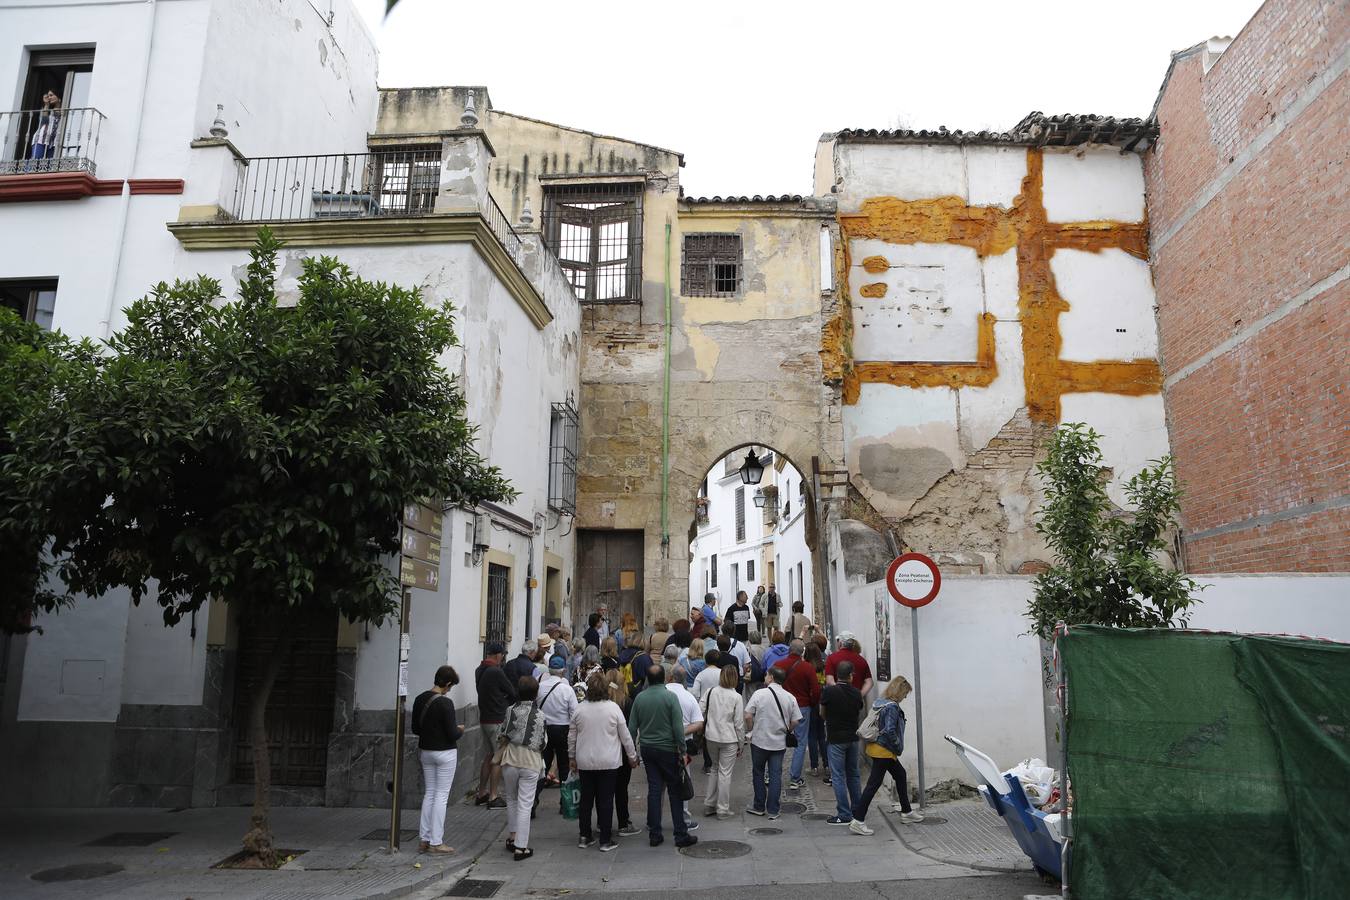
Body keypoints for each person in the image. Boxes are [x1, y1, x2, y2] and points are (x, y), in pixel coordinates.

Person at [628, 665, 698, 848]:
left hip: (648, 748)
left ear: (648, 680)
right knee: (675, 790)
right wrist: (682, 750)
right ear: (665, 678)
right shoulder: (670, 697)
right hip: (668, 749)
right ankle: (680, 833)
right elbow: (677, 728)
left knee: (654, 789)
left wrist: (632, 752)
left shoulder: (640, 699)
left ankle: (655, 832)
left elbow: (632, 727)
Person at [570, 673, 639, 852]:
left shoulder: (579, 709)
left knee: (586, 800)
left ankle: (584, 835)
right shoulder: (613, 708)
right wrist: (632, 756)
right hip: (609, 761)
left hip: (585, 760)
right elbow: (626, 737)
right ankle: (605, 839)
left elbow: (572, 737)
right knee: (606, 799)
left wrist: (571, 757)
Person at [849, 676, 923, 834]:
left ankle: (907, 812)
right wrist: (897, 746)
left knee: (900, 775)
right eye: (905, 693)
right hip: (884, 751)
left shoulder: (880, 702)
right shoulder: (892, 707)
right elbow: (889, 730)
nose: (905, 697)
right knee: (873, 785)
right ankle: (858, 820)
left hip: (877, 748)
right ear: (900, 691)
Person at [411, 665, 464, 854]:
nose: (449, 691)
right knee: (441, 796)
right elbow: (452, 733)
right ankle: (436, 841)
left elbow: (415, 729)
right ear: (447, 684)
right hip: (445, 753)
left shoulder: (419, 699)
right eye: (450, 687)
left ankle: (424, 839)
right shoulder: (445, 703)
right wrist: (460, 730)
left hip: (426, 751)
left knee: (430, 794)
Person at [496, 676, 546, 861]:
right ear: (535, 693)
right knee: (526, 804)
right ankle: (521, 847)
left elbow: (502, 733)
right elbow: (542, 742)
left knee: (511, 798)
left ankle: (512, 836)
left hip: (511, 759)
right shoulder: (540, 715)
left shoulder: (510, 710)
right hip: (530, 761)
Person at [744, 665, 800, 819]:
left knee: (758, 772)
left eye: (767, 675)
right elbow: (796, 720)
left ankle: (759, 805)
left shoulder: (759, 694)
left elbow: (748, 715)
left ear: (772, 677)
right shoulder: (790, 697)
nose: (765, 677)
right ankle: (774, 809)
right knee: (776, 775)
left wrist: (751, 729)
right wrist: (788, 729)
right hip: (779, 742)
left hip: (760, 740)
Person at [820, 660, 865, 825]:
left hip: (835, 738)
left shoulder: (829, 692)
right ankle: (857, 810)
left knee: (838, 776)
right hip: (853, 738)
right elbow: (858, 711)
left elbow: (822, 712)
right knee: (853, 774)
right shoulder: (856, 693)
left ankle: (844, 814)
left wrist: (830, 721)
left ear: (837, 675)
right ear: (851, 676)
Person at [772, 639, 820, 790]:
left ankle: (770, 774)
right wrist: (812, 703)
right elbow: (816, 690)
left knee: (775, 740)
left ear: (789, 650)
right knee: (800, 742)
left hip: (780, 706)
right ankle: (795, 777)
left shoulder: (778, 665)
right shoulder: (807, 668)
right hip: (802, 707)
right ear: (802, 652)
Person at [474, 642, 516, 809]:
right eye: (502, 655)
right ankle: (493, 796)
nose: (503, 658)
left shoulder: (479, 669)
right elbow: (512, 691)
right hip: (497, 718)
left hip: (484, 717)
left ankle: (481, 793)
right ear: (498, 655)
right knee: (498, 758)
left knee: (488, 756)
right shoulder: (496, 671)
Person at [701, 665, 745, 819]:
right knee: (725, 773)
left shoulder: (710, 692)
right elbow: (739, 723)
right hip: (729, 738)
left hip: (711, 736)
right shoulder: (736, 697)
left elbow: (701, 711)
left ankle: (709, 804)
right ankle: (722, 808)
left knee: (714, 769)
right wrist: (741, 743)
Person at [665, 666, 705, 831]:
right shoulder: (688, 697)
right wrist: (682, 731)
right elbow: (698, 723)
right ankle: (684, 819)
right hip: (683, 746)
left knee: (657, 786)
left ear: (670, 677)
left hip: (661, 743)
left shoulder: (662, 693)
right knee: (683, 781)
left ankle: (653, 820)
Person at [538, 655, 578, 793]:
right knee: (564, 765)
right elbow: (574, 713)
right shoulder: (567, 689)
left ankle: (533, 800)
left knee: (543, 765)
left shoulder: (540, 686)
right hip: (562, 729)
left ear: (549, 670)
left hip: (545, 728)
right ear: (563, 671)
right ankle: (564, 802)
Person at [805, 642, 831, 781]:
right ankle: (826, 765)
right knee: (822, 734)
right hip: (822, 701)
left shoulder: (806, 667)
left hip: (811, 702)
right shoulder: (823, 666)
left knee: (811, 735)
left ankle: (814, 766)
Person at [28, 91, 61, 170]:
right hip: (40, 139)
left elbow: (58, 115)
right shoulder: (49, 111)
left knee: (48, 166)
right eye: (48, 95)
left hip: (53, 142)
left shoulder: (61, 110)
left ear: (59, 98)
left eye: (51, 95)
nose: (49, 97)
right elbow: (44, 121)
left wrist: (57, 104)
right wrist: (46, 104)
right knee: (35, 161)